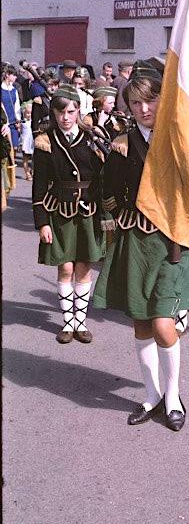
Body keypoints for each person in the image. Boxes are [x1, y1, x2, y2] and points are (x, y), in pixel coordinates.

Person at [93, 61, 189, 431]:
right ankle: (152, 394)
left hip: (173, 244)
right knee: (141, 323)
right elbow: (108, 191)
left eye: (151, 100)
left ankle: (173, 397)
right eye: (136, 103)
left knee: (162, 325)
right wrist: (117, 218)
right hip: (136, 242)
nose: (144, 108)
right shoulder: (122, 144)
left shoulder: (181, 139)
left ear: (164, 99)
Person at [32, 84, 105, 344]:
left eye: (71, 111)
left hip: (88, 212)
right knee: (65, 267)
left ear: (78, 112)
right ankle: (67, 322)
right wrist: (42, 222)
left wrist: (106, 215)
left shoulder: (92, 139)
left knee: (83, 267)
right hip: (59, 212)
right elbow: (39, 185)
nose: (65, 117)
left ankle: (80, 322)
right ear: (53, 112)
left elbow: (103, 179)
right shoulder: (45, 141)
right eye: (60, 111)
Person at [31, 72, 60, 138]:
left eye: (55, 85)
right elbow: (35, 121)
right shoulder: (39, 100)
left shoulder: (61, 99)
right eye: (50, 85)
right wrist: (36, 136)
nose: (53, 88)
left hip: (58, 131)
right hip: (44, 131)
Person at [1, 65, 21, 151]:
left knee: (15, 147)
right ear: (7, 75)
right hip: (3, 123)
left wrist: (18, 120)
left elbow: (17, 107)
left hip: (13, 123)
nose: (16, 77)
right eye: (14, 75)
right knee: (7, 149)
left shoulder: (14, 90)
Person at [20, 101, 34, 180]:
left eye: (31, 113)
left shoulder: (34, 121)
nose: (29, 115)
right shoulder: (23, 122)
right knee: (25, 159)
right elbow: (20, 132)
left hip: (32, 143)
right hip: (25, 144)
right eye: (27, 113)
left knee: (35, 159)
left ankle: (32, 171)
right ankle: (27, 174)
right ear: (24, 113)